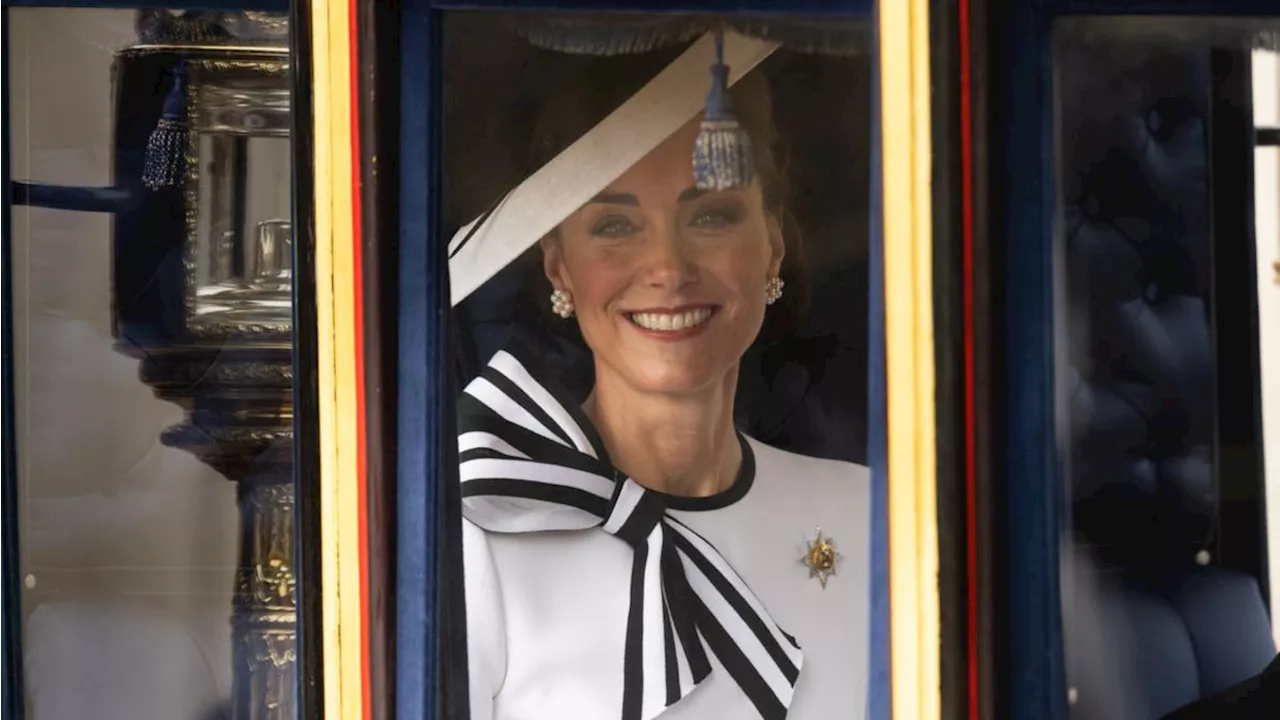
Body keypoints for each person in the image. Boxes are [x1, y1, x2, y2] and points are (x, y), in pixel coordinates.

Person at [451, 31, 870, 720]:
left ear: (774, 245)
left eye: (710, 216)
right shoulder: (479, 531)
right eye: (616, 226)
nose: (669, 270)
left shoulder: (867, 517)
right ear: (559, 265)